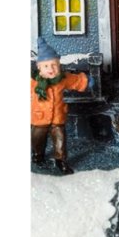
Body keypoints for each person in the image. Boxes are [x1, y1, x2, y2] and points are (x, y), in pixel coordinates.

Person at [31, 38, 89, 175]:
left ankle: (60, 160)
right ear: (39, 68)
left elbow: (76, 81)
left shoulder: (63, 78)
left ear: (59, 65)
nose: (51, 69)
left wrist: (87, 81)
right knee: (37, 139)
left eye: (54, 65)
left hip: (58, 116)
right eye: (46, 66)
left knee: (60, 140)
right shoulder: (33, 82)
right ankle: (38, 156)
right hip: (39, 117)